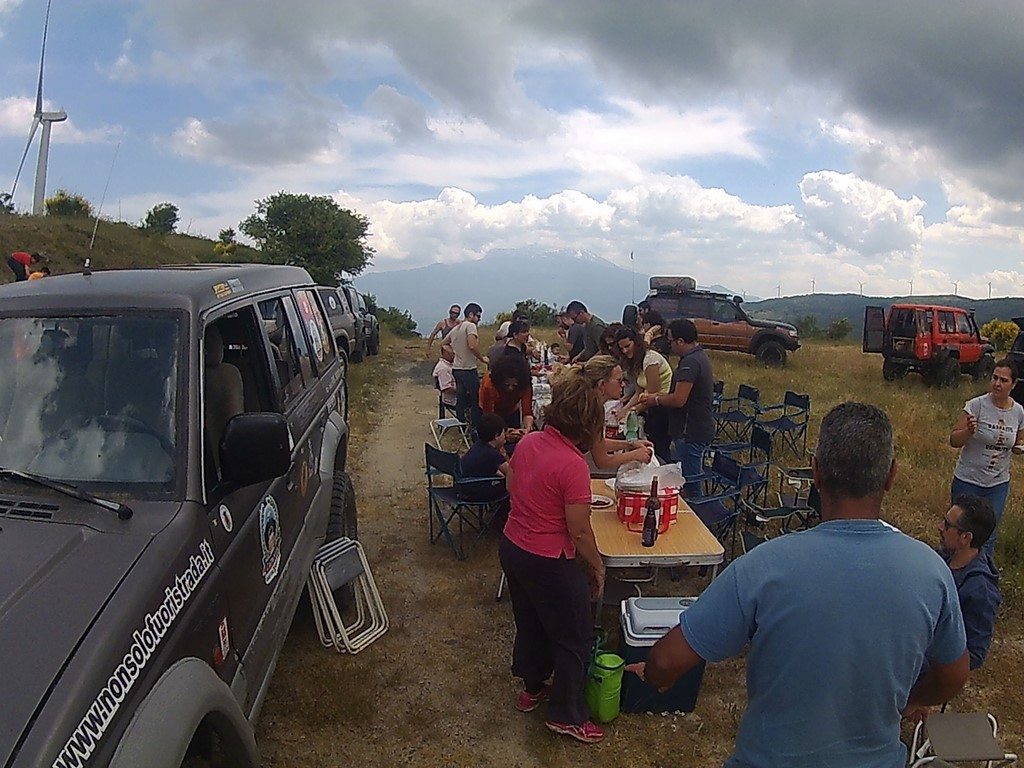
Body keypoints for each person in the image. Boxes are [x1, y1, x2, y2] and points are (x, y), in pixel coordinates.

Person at [630, 401, 969, 767]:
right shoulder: (932, 573)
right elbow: (953, 676)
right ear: (890, 476)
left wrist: (655, 675)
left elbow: (667, 659)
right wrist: (911, 700)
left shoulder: (764, 566)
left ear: (816, 473)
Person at [499, 374, 607, 744]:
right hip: (548, 558)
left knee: (530, 622)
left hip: (513, 546)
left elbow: (512, 484)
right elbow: (578, 530)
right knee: (575, 635)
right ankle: (567, 715)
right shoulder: (573, 464)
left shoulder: (529, 441)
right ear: (588, 423)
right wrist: (597, 565)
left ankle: (532, 688)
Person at [949, 358, 1024, 556]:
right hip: (968, 480)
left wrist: (1019, 447)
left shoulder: (1018, 412)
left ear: (1014, 384)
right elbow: (954, 440)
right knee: (959, 531)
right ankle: (952, 568)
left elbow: (1017, 441)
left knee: (988, 534)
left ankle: (983, 571)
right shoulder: (976, 405)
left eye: (1004, 380)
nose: (997, 383)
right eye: (995, 378)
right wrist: (968, 431)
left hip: (997, 484)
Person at [641, 319, 714, 494]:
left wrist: (655, 399)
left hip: (690, 431)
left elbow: (679, 399)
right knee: (689, 477)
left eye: (671, 341)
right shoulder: (697, 357)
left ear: (680, 341)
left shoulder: (690, 363)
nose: (670, 345)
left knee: (690, 482)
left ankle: (697, 509)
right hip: (694, 428)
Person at [552, 355, 653, 470]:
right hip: (559, 466)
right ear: (602, 384)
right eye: (619, 381)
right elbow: (602, 461)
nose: (623, 385)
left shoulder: (584, 403)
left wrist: (630, 444)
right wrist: (635, 455)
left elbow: (598, 444)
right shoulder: (592, 410)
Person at [938, 495, 1002, 672]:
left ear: (965, 538)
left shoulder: (980, 592)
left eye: (947, 525)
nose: (940, 527)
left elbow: (974, 655)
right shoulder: (943, 557)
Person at [615, 326, 673, 462]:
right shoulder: (635, 362)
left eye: (627, 346)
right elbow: (639, 392)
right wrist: (623, 410)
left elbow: (652, 395)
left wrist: (633, 410)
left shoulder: (650, 359)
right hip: (650, 407)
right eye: (622, 348)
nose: (625, 351)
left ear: (636, 342)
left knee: (659, 448)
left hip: (662, 407)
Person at [449, 302, 487, 429]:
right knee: (476, 399)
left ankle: (461, 425)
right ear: (471, 315)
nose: (479, 319)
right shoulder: (470, 326)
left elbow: (444, 343)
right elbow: (472, 345)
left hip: (457, 368)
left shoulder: (456, 328)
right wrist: (481, 358)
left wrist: (455, 353)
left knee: (461, 398)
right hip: (468, 368)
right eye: (478, 316)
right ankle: (476, 428)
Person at [479, 351, 535, 439]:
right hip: (491, 412)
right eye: (506, 385)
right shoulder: (489, 386)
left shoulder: (525, 384)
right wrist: (504, 431)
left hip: (511, 410)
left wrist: (527, 428)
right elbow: (489, 415)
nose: (510, 388)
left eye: (514, 385)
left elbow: (527, 411)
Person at [459, 413, 513, 501]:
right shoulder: (492, 454)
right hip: (476, 492)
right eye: (503, 433)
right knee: (513, 484)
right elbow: (511, 472)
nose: (505, 437)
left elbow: (490, 469)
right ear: (496, 436)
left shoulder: (479, 445)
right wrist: (504, 455)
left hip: (464, 487)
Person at [432, 344, 457, 412]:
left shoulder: (450, 364)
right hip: (453, 399)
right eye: (452, 354)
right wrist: (462, 390)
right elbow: (447, 389)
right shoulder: (443, 368)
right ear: (446, 354)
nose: (454, 356)